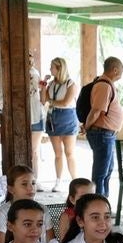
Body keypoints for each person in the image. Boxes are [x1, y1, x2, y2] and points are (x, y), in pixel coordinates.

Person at [82, 57, 123, 197]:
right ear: (115, 70)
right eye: (122, 69)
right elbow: (96, 111)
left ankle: (103, 201)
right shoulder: (104, 86)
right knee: (100, 173)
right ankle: (97, 202)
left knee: (107, 170)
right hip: (102, 134)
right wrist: (87, 126)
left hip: (107, 134)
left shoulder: (108, 85)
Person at [40, 57, 79, 194]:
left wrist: (50, 101)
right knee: (57, 154)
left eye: (52, 67)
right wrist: (43, 86)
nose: (50, 69)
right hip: (53, 118)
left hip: (67, 117)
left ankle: (76, 181)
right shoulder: (50, 84)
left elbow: (65, 103)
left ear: (59, 68)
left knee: (69, 153)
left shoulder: (71, 84)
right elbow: (42, 100)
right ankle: (58, 181)